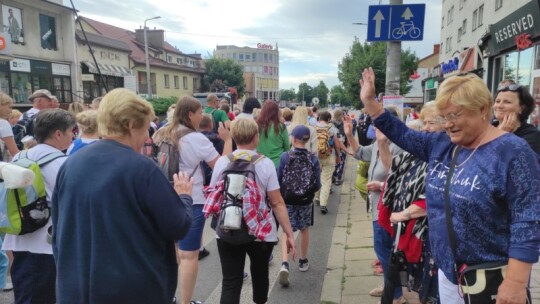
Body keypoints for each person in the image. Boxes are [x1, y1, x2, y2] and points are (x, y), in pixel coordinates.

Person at [359, 67, 539, 304]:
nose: (448, 124)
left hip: (490, 275)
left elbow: (527, 220)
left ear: (482, 110)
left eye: (455, 115)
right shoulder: (443, 145)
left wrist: (516, 282)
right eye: (444, 117)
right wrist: (370, 102)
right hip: (446, 272)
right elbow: (400, 133)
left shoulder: (513, 152)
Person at [52, 89, 193, 303]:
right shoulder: (141, 169)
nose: (147, 136)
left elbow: (58, 230)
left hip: (77, 287)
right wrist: (184, 197)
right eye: (146, 128)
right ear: (130, 125)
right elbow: (178, 226)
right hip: (131, 289)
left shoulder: (71, 163)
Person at [205, 118, 296, 304]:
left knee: (230, 282)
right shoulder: (265, 164)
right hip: (260, 232)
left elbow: (215, 194)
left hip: (228, 228)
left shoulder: (222, 163)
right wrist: (289, 233)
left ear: (234, 137)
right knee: (260, 275)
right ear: (256, 138)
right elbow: (277, 203)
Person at [371, 102, 443, 304]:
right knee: (425, 284)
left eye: (432, 123)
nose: (427, 127)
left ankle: (400, 295)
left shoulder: (442, 156)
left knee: (434, 285)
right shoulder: (412, 156)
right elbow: (394, 172)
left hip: (429, 231)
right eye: (425, 122)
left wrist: (407, 213)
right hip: (416, 231)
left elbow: (435, 196)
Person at [2, 109, 76, 304]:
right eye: (70, 131)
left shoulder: (20, 157)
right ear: (58, 133)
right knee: (45, 296)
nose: (72, 136)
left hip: (19, 236)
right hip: (47, 244)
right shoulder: (63, 164)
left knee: (25, 294)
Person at [175, 96, 232, 304]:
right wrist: (227, 141)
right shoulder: (195, 138)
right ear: (190, 114)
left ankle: (169, 296)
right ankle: (185, 302)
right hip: (192, 198)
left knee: (173, 252)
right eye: (200, 112)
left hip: (166, 197)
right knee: (189, 255)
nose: (202, 116)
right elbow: (221, 166)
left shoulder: (165, 132)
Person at [344, 107, 403, 297]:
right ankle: (390, 287)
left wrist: (381, 185)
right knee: (383, 249)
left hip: (389, 208)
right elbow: (360, 153)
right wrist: (349, 135)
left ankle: (395, 293)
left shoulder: (399, 146)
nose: (374, 127)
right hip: (378, 206)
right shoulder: (378, 144)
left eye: (379, 123)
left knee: (383, 249)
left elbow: (400, 177)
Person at [277, 125, 321, 287]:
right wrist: (308, 193)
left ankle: (284, 263)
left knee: (286, 230)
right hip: (305, 201)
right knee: (304, 229)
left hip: (287, 200)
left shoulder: (285, 157)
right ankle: (302, 260)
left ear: (294, 139)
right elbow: (317, 183)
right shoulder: (312, 158)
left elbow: (279, 178)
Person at [493, 83, 540, 155]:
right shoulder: (486, 128)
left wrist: (501, 135)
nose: (499, 106)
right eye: (497, 101)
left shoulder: (532, 136)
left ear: (521, 108)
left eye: (507, 102)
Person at [313, 111, 343, 215]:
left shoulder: (313, 128)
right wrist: (338, 156)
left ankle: (316, 197)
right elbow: (337, 144)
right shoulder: (332, 129)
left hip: (316, 157)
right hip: (329, 156)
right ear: (329, 119)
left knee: (317, 177)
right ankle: (323, 203)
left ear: (319, 117)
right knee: (326, 180)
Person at [256, 101, 290, 168]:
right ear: (277, 112)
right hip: (277, 163)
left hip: (260, 162)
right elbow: (287, 148)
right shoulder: (281, 127)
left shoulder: (256, 126)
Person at [0, 94, 19, 161]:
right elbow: (14, 152)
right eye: (9, 107)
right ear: (1, 105)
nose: (11, 111)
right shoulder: (3, 123)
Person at [331, 109, 348, 185]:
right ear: (341, 115)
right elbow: (341, 137)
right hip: (340, 145)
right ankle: (338, 178)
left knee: (334, 162)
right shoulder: (342, 124)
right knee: (341, 162)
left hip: (332, 147)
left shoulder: (330, 123)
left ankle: (333, 177)